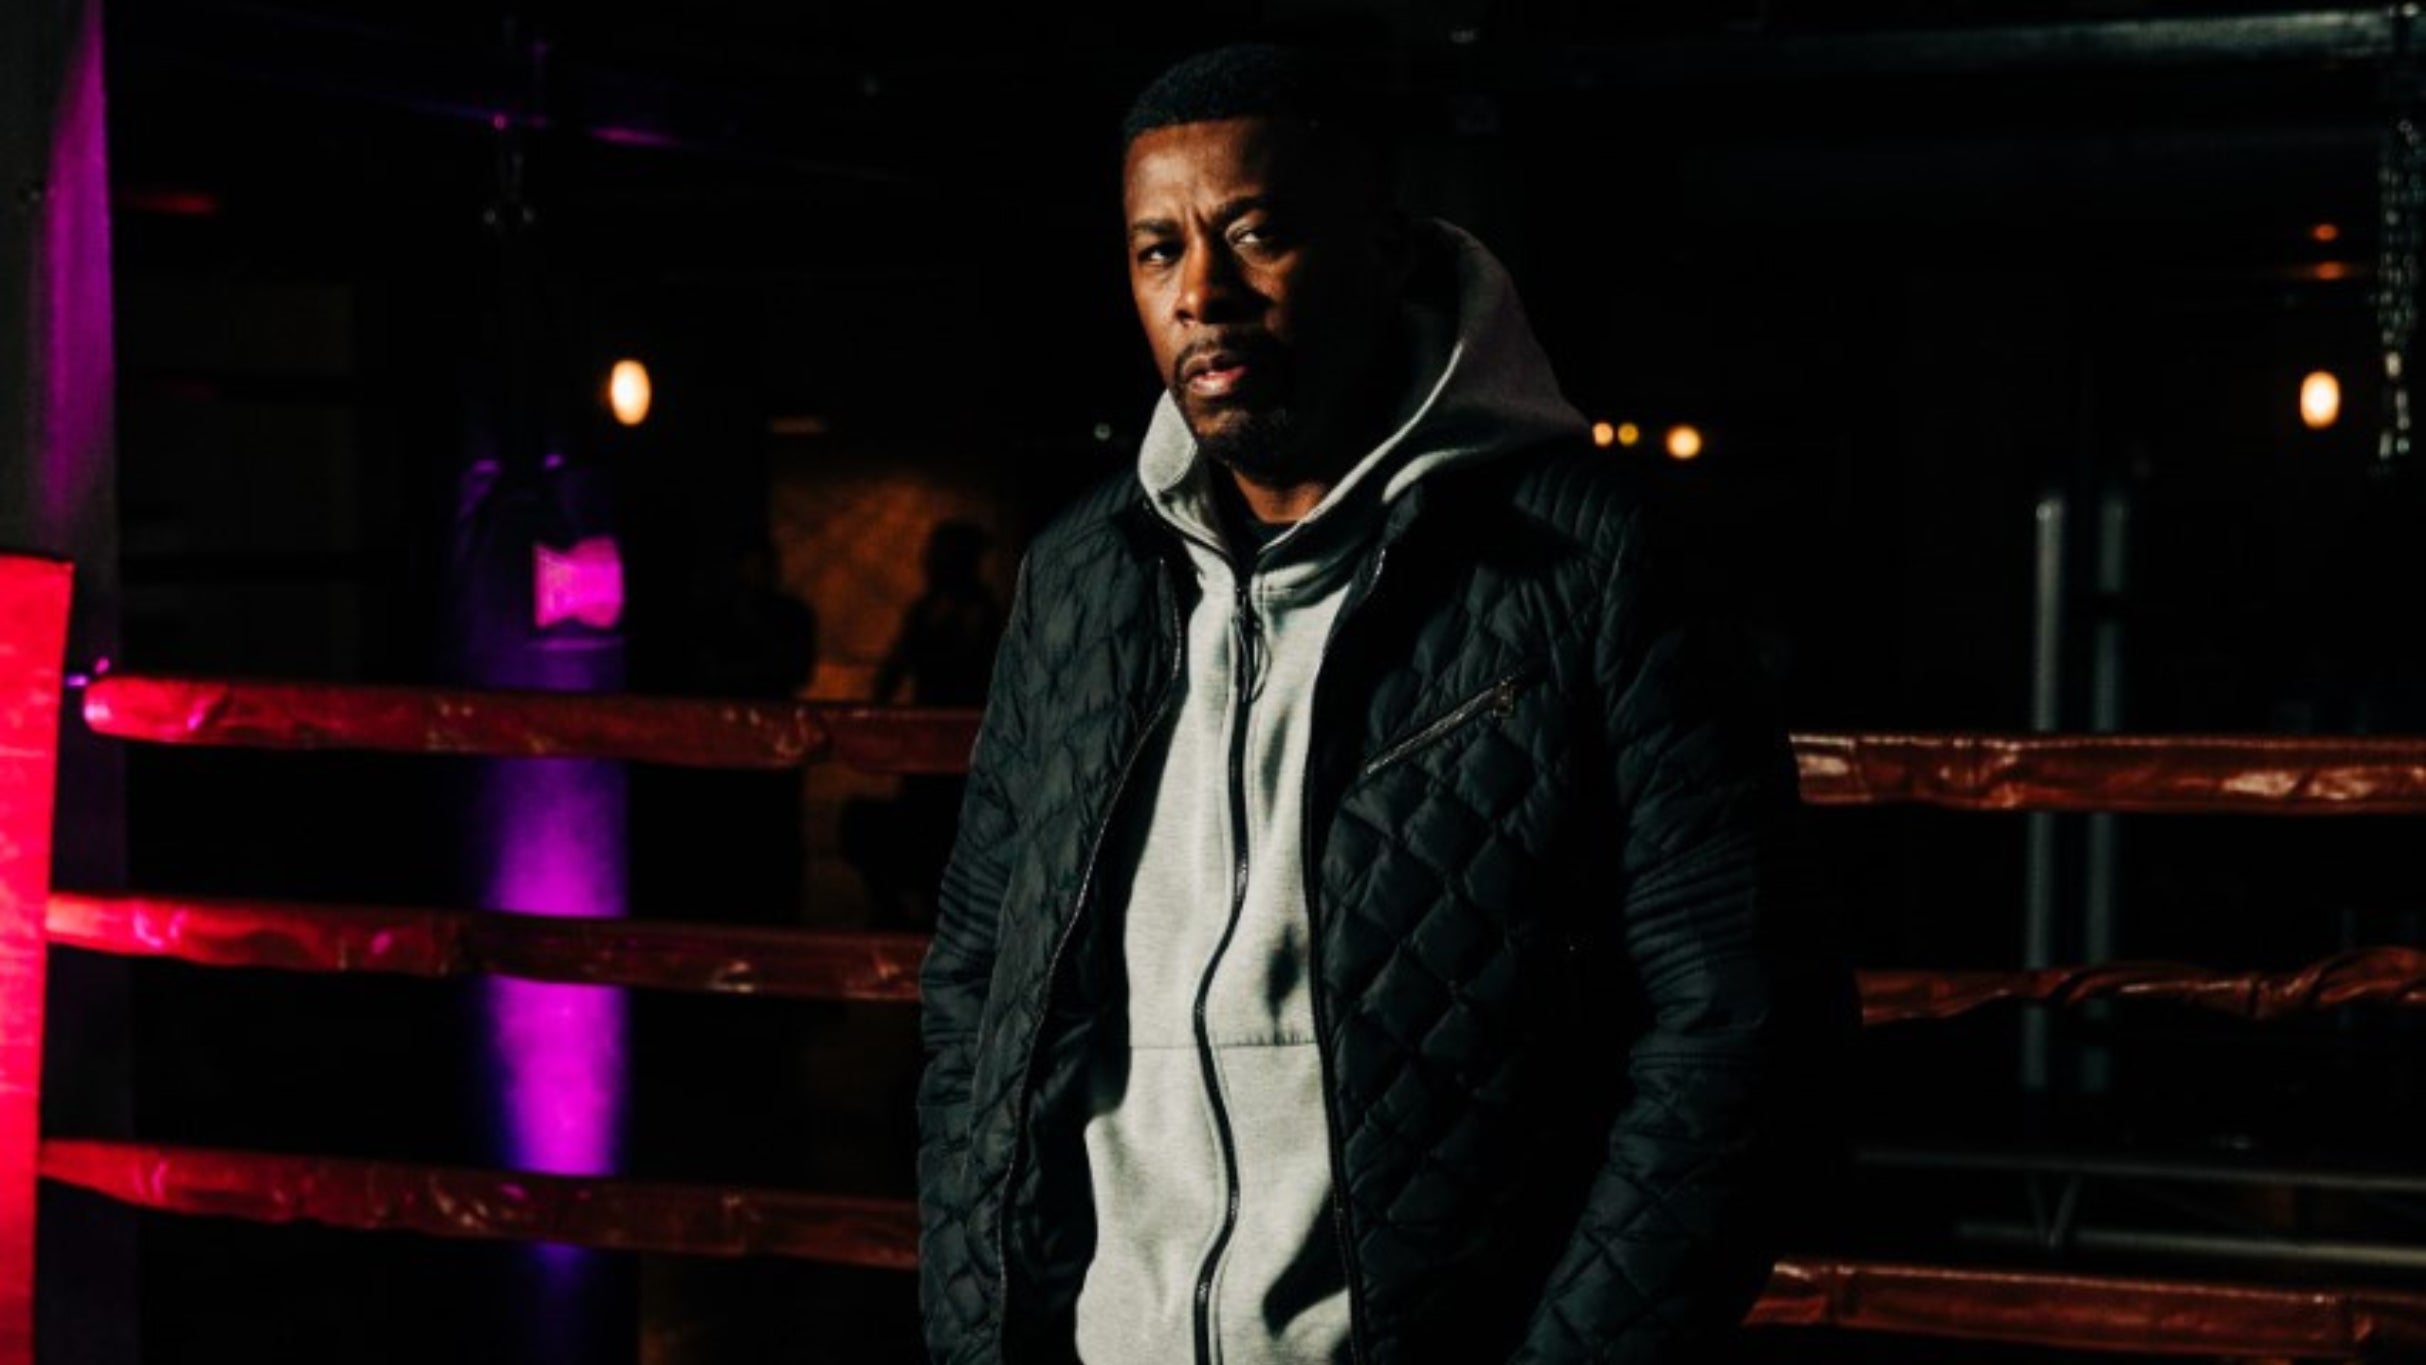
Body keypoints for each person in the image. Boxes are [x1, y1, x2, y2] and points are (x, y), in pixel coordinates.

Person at [916, 44, 1855, 1365]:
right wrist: (974, 1322)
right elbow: (976, 979)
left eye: (1256, 234)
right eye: (1156, 250)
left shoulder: (1585, 562)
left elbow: (1740, 1022)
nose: (1201, 293)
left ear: (1386, 252)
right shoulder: (1082, 575)